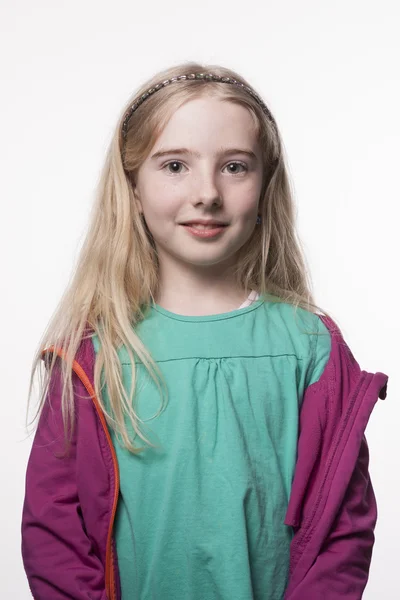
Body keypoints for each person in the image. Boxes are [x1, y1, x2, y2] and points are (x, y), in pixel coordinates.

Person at [21, 61, 389, 600]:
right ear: (133, 187)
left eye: (235, 166)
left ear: (266, 183)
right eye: (174, 165)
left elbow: (342, 529)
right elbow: (53, 535)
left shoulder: (309, 348)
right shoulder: (94, 356)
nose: (207, 193)